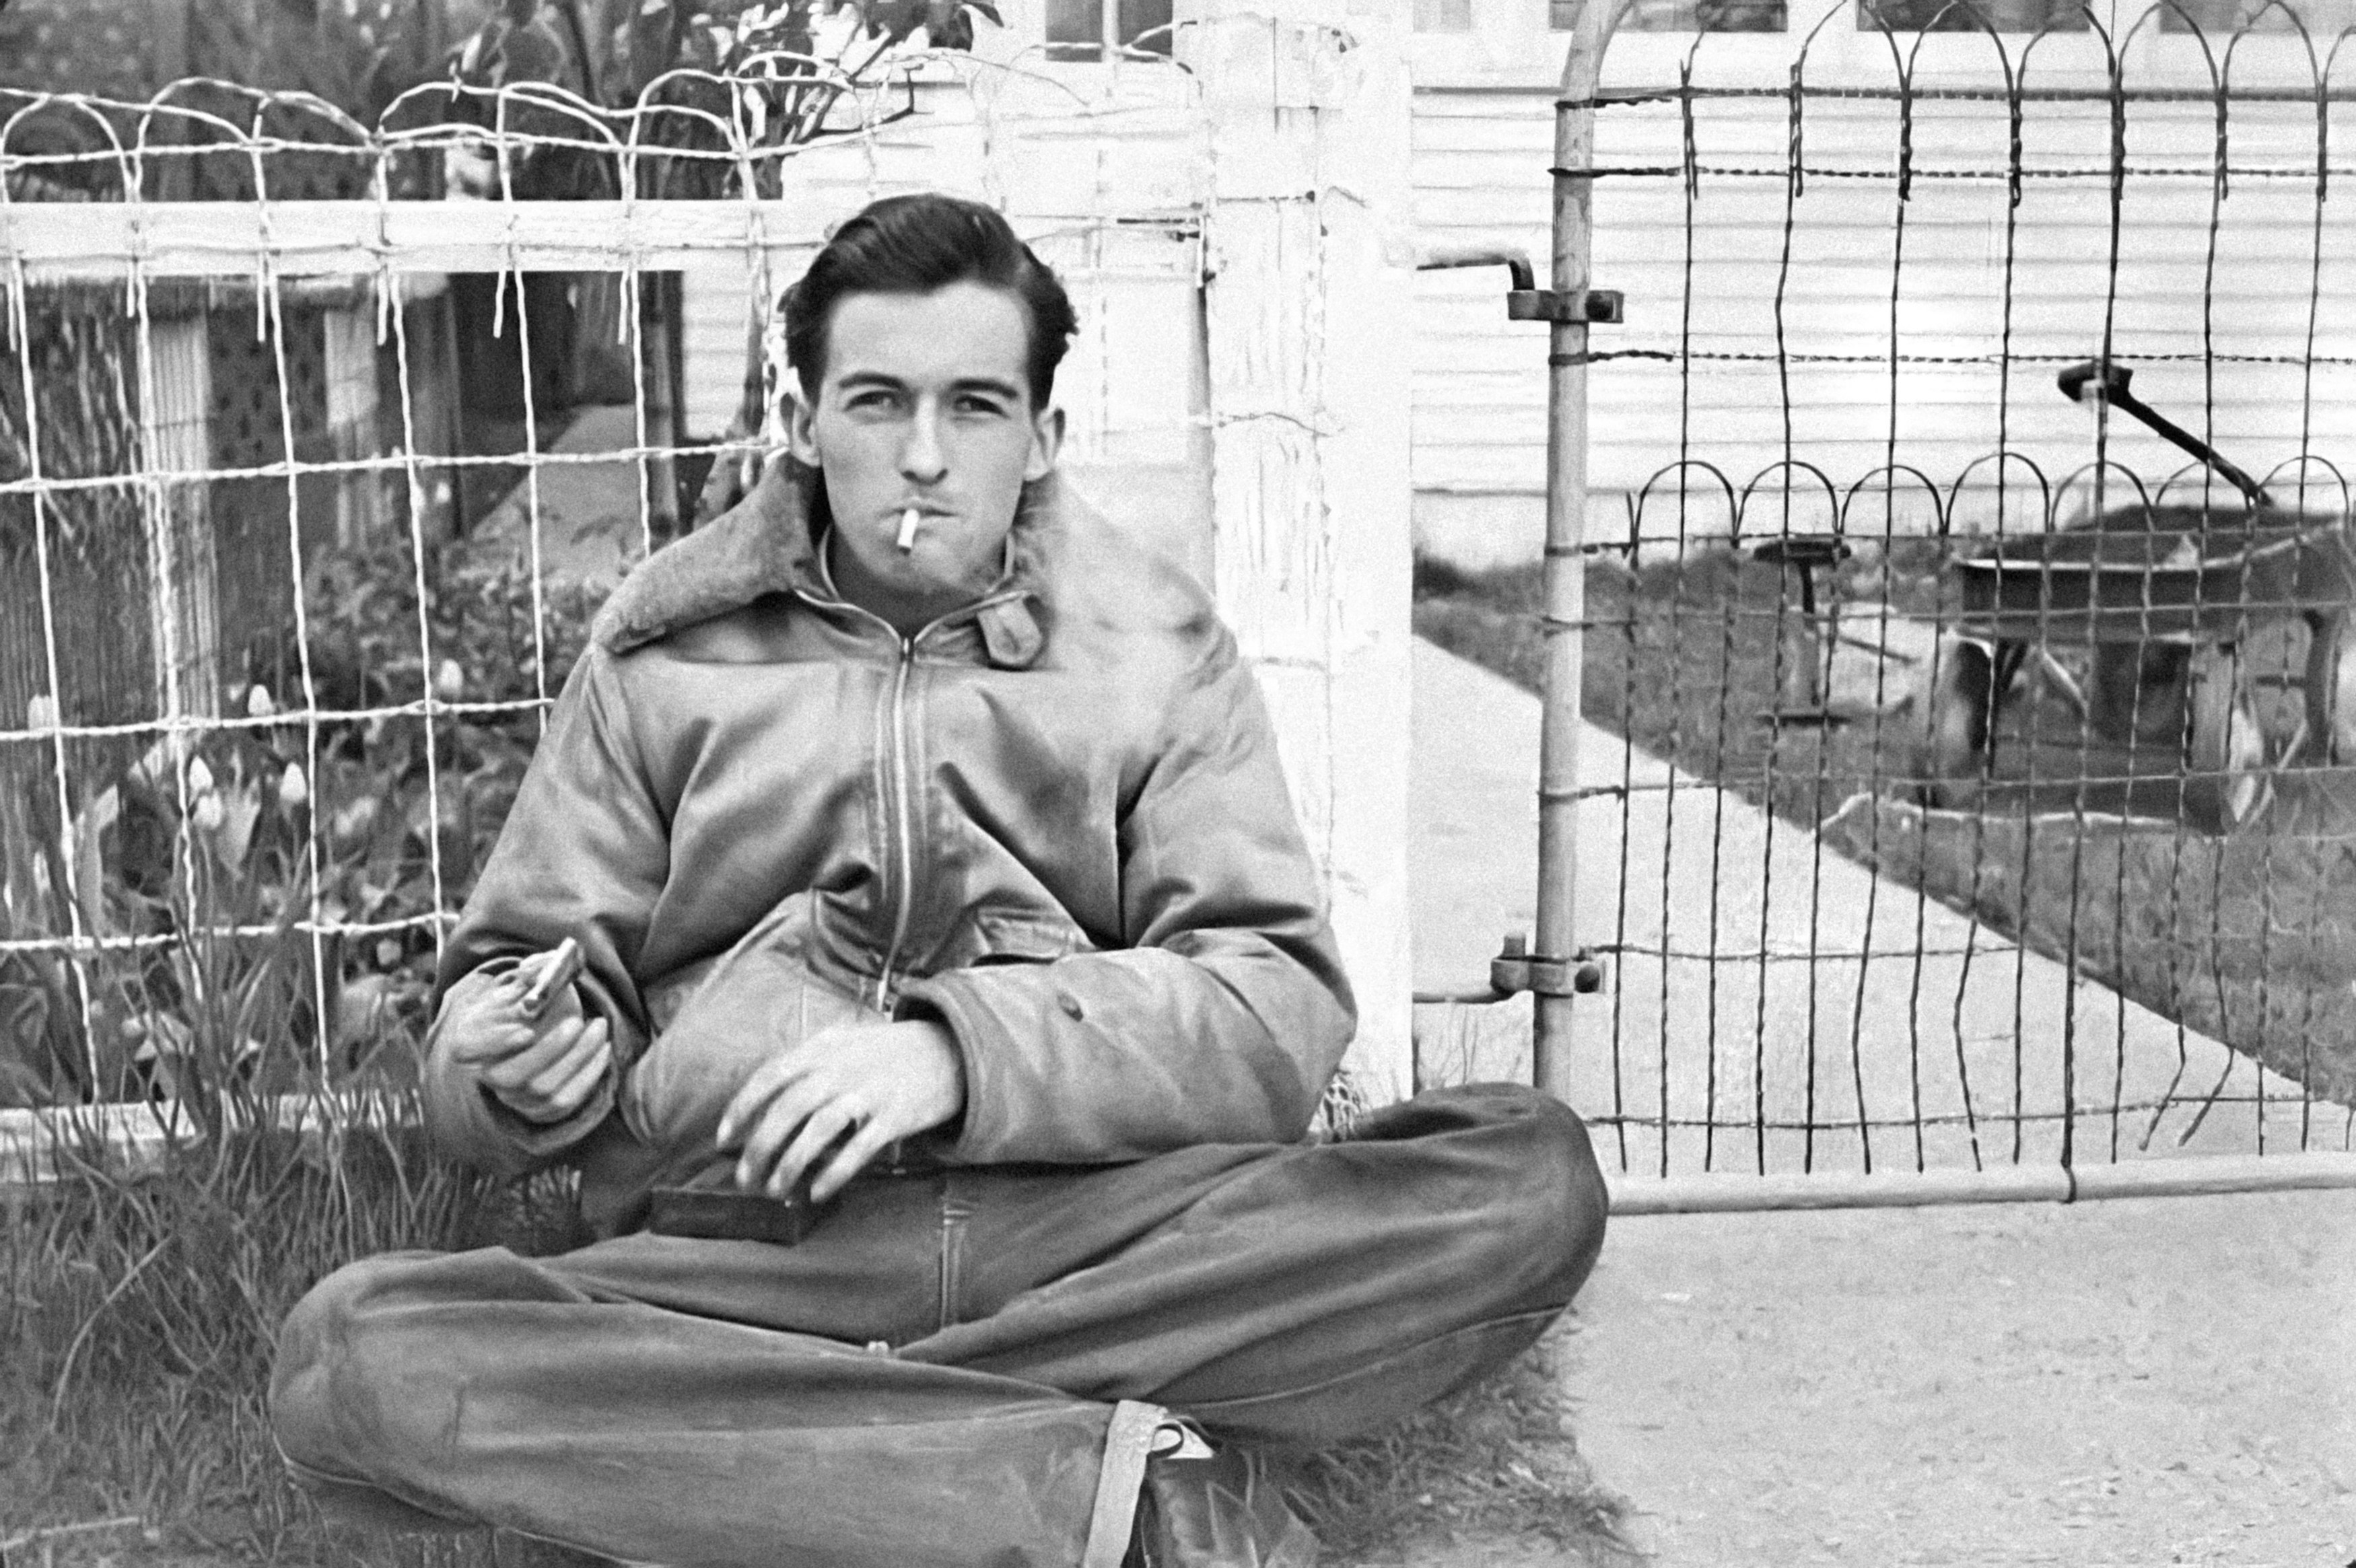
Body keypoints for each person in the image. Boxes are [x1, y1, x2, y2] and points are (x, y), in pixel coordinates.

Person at [269, 193, 1609, 1568]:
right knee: (349, 1355)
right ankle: (1111, 1486)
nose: (922, 455)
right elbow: (511, 1005)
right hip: (746, 1251)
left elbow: (1273, 1009)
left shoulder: (1156, 650)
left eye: (974, 406)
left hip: (1099, 1232)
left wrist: (954, 1056)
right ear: (802, 422)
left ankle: (811, 1445)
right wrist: (508, 1066)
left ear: (1043, 437)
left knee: (1525, 1179)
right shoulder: (662, 654)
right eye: (877, 401)